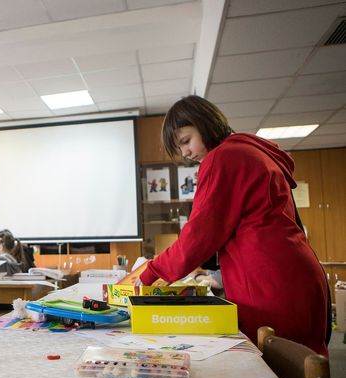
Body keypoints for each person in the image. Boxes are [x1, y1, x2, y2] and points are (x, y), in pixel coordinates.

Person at [136, 95, 328, 355]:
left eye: (186, 141)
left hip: (270, 282)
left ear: (204, 124)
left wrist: (150, 272)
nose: (185, 153)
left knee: (277, 376)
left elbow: (198, 237)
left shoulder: (223, 158)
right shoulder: (248, 151)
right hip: (293, 275)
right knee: (303, 371)